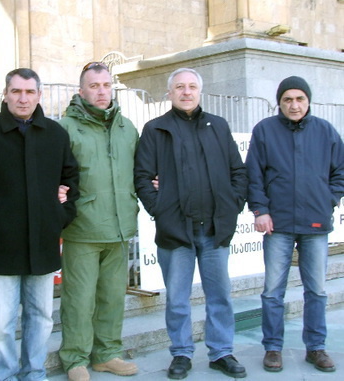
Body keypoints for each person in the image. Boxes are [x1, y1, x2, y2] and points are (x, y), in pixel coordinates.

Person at [0, 68, 79, 381]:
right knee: (1, 321)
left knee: (41, 316)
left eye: (29, 92)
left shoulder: (55, 134)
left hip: (42, 240)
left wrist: (60, 215)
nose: (23, 98)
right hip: (0, 241)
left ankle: (34, 373)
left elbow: (70, 178)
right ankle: (5, 375)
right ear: (5, 94)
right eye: (16, 91)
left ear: (39, 95)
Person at [134, 68, 248, 380]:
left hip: (214, 230)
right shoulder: (155, 129)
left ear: (200, 91)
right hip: (176, 231)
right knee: (178, 299)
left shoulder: (218, 126)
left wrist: (233, 204)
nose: (186, 92)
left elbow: (238, 171)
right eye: (180, 87)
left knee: (220, 296)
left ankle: (221, 352)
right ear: (169, 93)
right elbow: (142, 177)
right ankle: (181, 353)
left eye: (192, 87)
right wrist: (160, 209)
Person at [246, 76, 344, 373]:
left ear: (308, 101)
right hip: (278, 223)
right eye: (288, 99)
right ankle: (273, 348)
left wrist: (329, 199)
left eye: (300, 99)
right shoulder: (265, 131)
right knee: (273, 291)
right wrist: (260, 210)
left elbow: (339, 172)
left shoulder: (325, 131)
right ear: (280, 102)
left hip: (315, 223)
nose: (294, 104)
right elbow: (254, 175)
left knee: (316, 290)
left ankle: (316, 348)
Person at [58, 62, 139, 381]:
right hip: (82, 228)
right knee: (78, 299)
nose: (102, 91)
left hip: (119, 227)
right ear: (81, 91)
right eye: (94, 86)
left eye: (106, 85)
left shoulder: (127, 127)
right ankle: (75, 358)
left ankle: (107, 354)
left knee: (112, 297)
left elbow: (140, 170)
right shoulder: (66, 127)